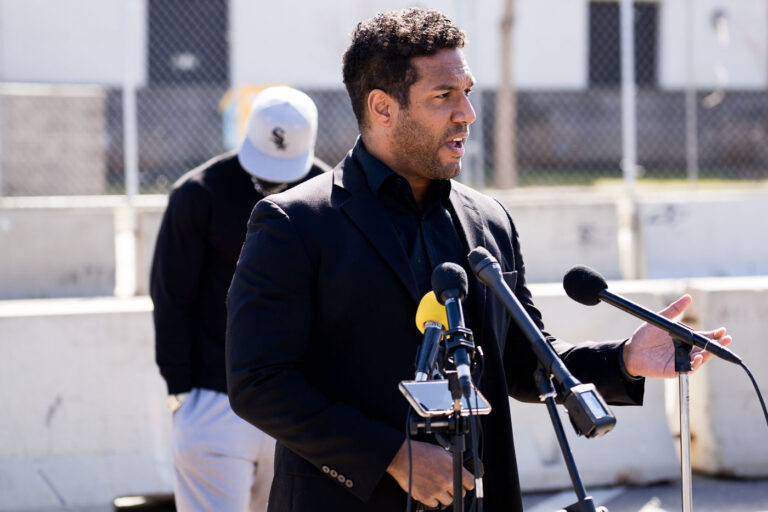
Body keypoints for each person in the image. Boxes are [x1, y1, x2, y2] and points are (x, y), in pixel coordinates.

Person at [225, 9, 731, 512]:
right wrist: (393, 456)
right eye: (443, 96)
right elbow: (258, 382)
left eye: (466, 91)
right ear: (382, 107)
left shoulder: (489, 220)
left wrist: (623, 360)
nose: (466, 113)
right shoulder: (294, 222)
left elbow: (523, 362)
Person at [150, 86, 331, 512]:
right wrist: (180, 391)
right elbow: (171, 295)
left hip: (298, 405)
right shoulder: (199, 193)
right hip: (218, 399)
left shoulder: (330, 193)